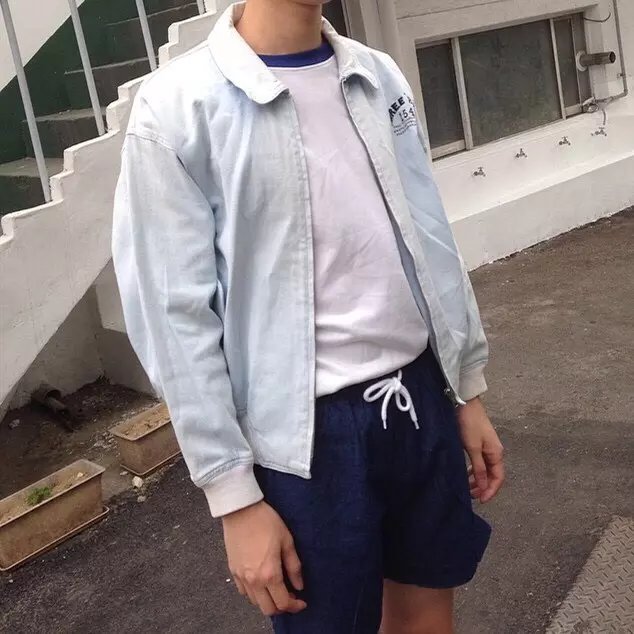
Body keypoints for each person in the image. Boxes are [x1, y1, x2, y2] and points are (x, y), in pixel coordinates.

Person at [112, 1, 505, 632]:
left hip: (418, 394)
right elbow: (173, 317)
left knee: (428, 608)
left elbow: (429, 234)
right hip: (305, 438)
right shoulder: (178, 107)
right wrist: (233, 497)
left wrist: (465, 389)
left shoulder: (377, 75)